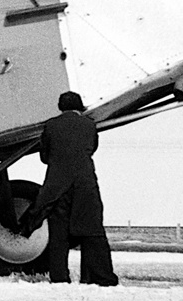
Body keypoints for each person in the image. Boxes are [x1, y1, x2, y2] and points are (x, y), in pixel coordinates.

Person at [18, 91, 119, 286]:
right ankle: (96, 277)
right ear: (79, 106)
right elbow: (92, 148)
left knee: (59, 235)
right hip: (85, 184)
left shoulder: (51, 125)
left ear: (60, 107)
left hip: (57, 186)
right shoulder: (90, 125)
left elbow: (44, 156)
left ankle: (59, 277)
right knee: (91, 231)